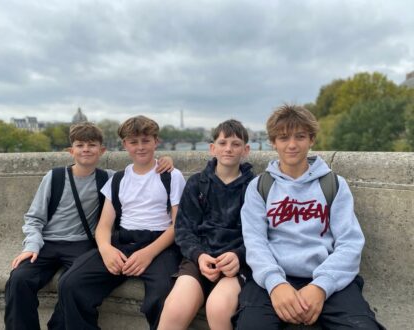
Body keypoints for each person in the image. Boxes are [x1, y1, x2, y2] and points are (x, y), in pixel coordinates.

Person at [4, 121, 173, 330]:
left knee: (73, 285)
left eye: (91, 145)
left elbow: (140, 171)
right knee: (19, 280)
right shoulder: (54, 177)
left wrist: (165, 161)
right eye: (80, 145)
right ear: (70, 150)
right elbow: (34, 218)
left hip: (81, 244)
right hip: (47, 243)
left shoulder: (109, 178)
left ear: (102, 150)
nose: (85, 150)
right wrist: (31, 246)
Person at [236, 104, 384, 329]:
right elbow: (255, 242)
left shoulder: (334, 184)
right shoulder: (260, 187)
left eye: (300, 136)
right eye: (283, 138)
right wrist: (276, 284)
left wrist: (321, 286)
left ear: (311, 140)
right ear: (273, 142)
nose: (292, 145)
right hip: (274, 278)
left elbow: (350, 242)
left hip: (327, 276)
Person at [58, 115, 186, 330]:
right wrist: (106, 249)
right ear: (125, 144)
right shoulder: (118, 179)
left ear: (156, 142)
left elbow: (178, 224)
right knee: (71, 283)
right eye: (133, 142)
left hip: (160, 244)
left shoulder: (172, 177)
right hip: (123, 241)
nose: (140, 147)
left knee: (163, 297)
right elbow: (104, 225)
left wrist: (149, 253)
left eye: (146, 141)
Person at [158, 119, 255, 330]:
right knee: (174, 309)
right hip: (200, 258)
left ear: (245, 150)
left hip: (238, 262)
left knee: (218, 308)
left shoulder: (255, 188)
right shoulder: (197, 184)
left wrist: (239, 255)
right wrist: (199, 255)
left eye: (236, 144)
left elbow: (261, 234)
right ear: (212, 148)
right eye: (222, 143)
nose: (228, 148)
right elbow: (183, 230)